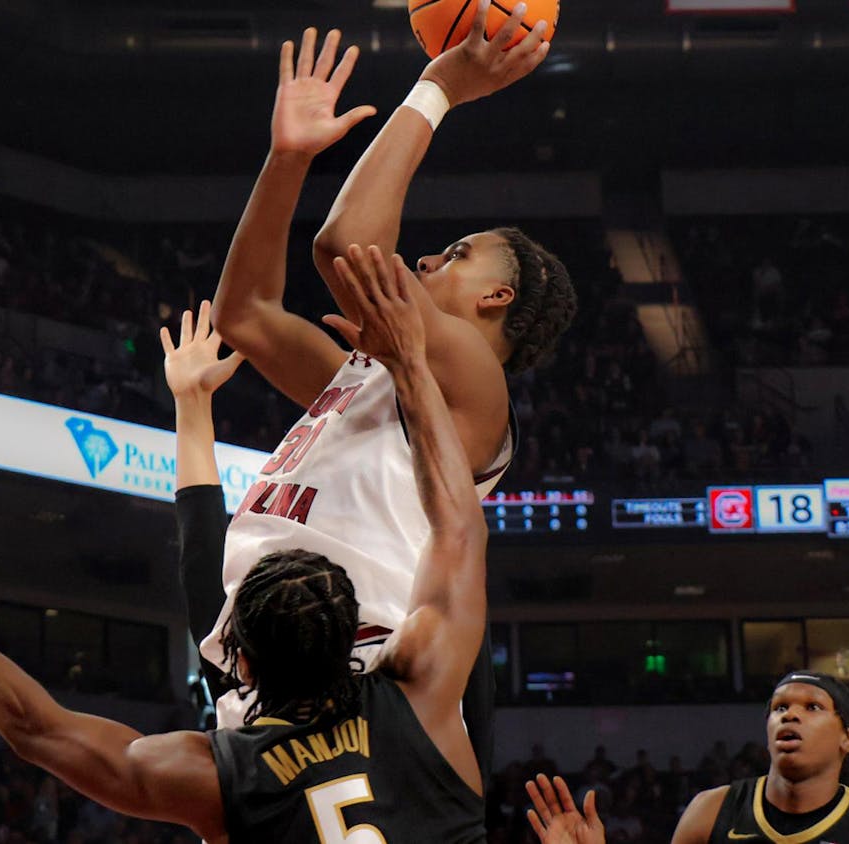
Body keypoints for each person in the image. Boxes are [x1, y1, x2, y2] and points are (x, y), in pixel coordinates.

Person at [0, 251, 496, 843]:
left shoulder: (223, 777)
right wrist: (409, 361)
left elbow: (38, 729)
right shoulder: (420, 695)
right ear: (361, 634)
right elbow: (459, 527)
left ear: (238, 662)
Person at [205, 8, 576, 773]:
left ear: (497, 300)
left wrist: (438, 85)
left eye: (462, 254)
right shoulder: (376, 379)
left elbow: (345, 247)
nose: (433, 254)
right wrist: (286, 160)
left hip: (360, 677)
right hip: (268, 672)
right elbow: (244, 314)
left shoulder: (475, 377)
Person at [670, 672, 849, 844]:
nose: (789, 715)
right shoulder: (710, 811)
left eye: (813, 707)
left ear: (848, 739)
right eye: (780, 707)